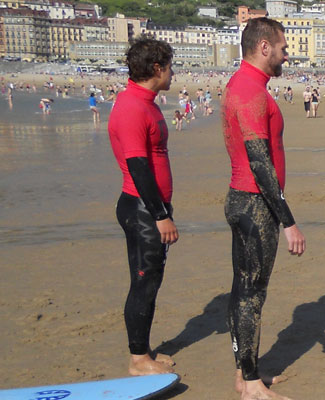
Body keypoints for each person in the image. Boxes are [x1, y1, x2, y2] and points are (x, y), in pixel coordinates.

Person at [221, 18, 305, 400]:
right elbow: (259, 161)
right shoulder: (250, 90)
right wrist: (287, 221)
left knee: (243, 290)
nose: (288, 54)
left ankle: (245, 374)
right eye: (284, 48)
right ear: (265, 47)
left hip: (243, 199)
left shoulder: (244, 84)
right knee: (252, 294)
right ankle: (251, 384)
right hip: (254, 203)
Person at [108, 37, 179, 376]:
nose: (172, 73)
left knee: (151, 280)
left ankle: (144, 350)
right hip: (141, 208)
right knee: (143, 281)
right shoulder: (132, 107)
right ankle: (138, 360)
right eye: (169, 67)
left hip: (149, 207)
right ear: (156, 68)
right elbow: (138, 167)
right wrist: (161, 216)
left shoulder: (146, 102)